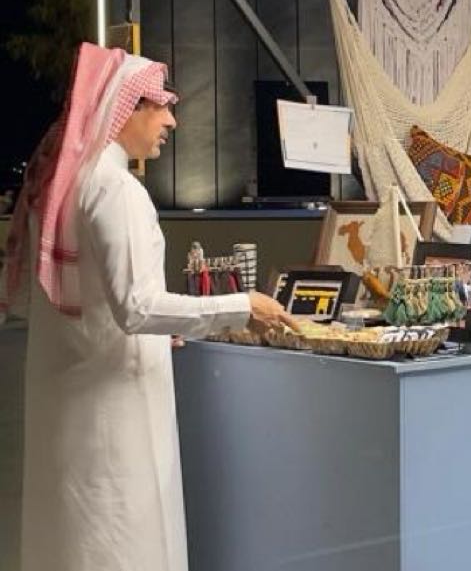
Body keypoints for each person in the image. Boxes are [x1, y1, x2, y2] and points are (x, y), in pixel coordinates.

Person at [2, 43, 298, 571]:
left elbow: (89, 300)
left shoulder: (64, 184)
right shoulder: (115, 188)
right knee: (126, 542)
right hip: (115, 413)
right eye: (161, 106)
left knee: (74, 538)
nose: (171, 121)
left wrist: (166, 327)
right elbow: (136, 307)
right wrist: (243, 305)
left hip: (75, 404)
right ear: (126, 108)